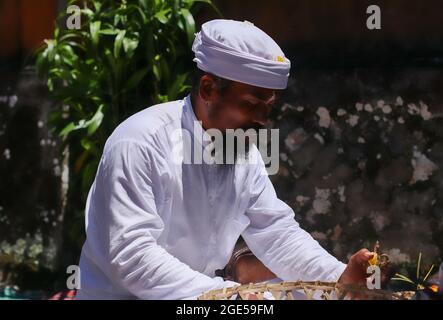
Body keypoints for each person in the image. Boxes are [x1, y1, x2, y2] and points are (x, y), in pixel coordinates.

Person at [76, 19, 375, 300]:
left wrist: (337, 280)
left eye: (267, 108)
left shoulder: (242, 150)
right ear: (208, 89)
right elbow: (130, 255)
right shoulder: (140, 141)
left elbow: (276, 233)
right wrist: (227, 295)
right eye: (250, 105)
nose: (261, 121)